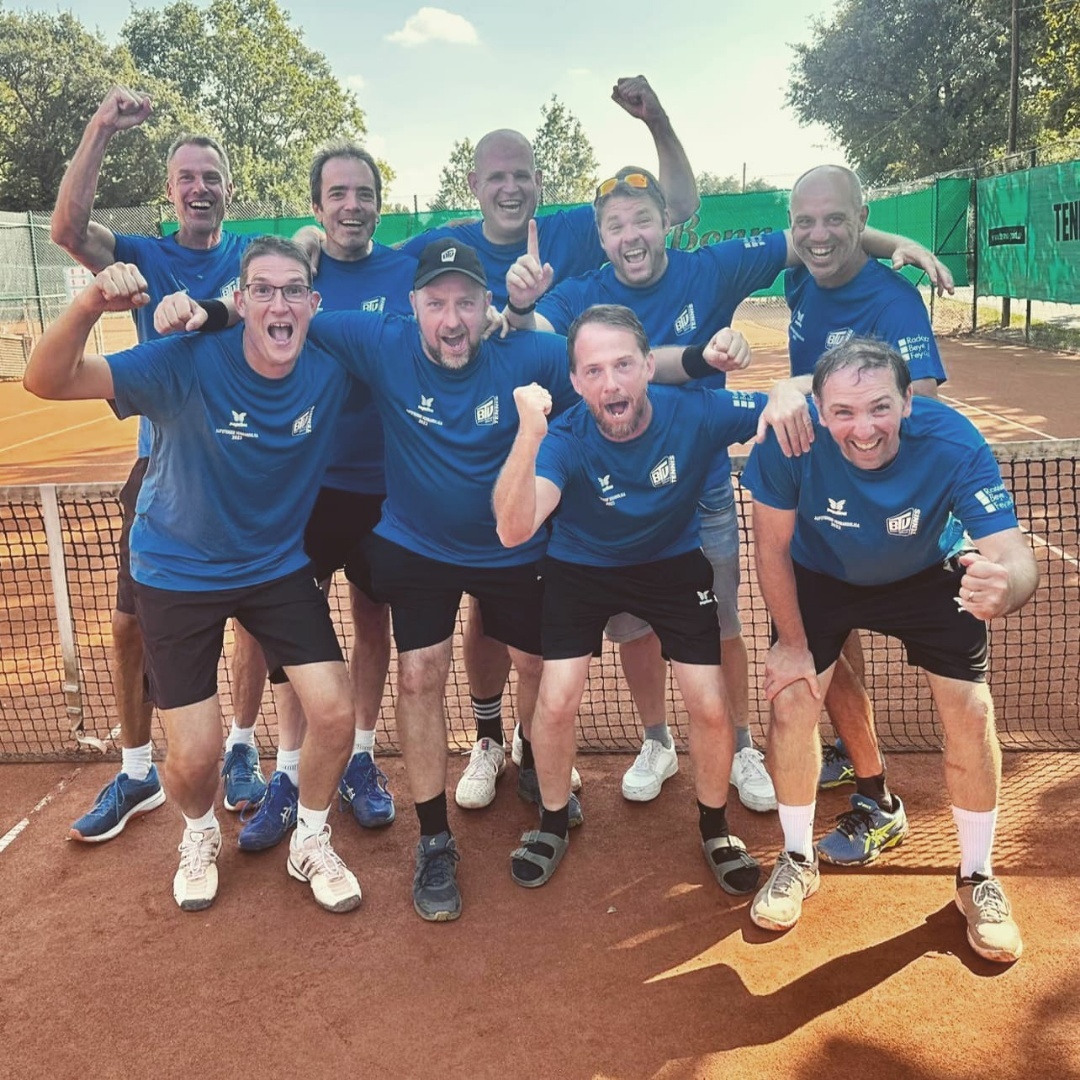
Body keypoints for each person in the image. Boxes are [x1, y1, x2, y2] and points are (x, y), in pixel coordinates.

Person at [503, 165, 953, 816]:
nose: (631, 235)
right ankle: (656, 742)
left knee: (721, 624)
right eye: (615, 225)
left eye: (642, 219)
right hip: (610, 502)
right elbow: (525, 341)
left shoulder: (711, 268)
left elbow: (811, 237)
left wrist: (890, 244)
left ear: (667, 221)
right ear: (601, 237)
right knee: (634, 632)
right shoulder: (577, 295)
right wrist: (519, 303)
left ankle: (742, 745)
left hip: (704, 488)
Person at [24, 238, 370, 914]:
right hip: (175, 571)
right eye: (262, 290)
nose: (278, 302)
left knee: (335, 713)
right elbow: (48, 379)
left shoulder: (331, 370)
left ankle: (311, 838)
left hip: (274, 567)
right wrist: (92, 300)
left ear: (314, 304)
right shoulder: (182, 362)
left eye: (293, 289)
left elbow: (427, 354)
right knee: (195, 760)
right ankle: (200, 829)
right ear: (238, 302)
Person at [396, 75, 700, 797]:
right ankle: (487, 738)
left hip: (552, 454)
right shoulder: (442, 245)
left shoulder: (566, 229)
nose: (510, 188)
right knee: (476, 615)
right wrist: (310, 239)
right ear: (473, 182)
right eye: (496, 176)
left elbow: (680, 205)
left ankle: (536, 753)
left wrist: (656, 119)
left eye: (522, 175)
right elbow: (360, 260)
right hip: (460, 463)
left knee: (523, 619)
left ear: (538, 182)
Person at [491, 304, 811, 889]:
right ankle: (553, 821)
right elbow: (514, 530)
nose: (609, 383)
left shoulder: (697, 411)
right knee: (557, 698)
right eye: (592, 371)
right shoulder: (563, 438)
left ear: (647, 367)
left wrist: (788, 389)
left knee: (709, 703)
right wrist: (528, 435)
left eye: (622, 366)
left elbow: (802, 404)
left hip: (670, 564)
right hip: (579, 567)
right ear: (575, 381)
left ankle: (716, 828)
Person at [741, 337, 1036, 963]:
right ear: (819, 412)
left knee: (974, 712)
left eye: (878, 407)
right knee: (791, 701)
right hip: (821, 574)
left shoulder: (953, 440)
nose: (863, 428)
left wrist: (1006, 586)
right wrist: (793, 645)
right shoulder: (786, 444)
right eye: (843, 412)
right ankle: (796, 858)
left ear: (908, 402)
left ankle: (977, 877)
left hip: (928, 571)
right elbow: (770, 550)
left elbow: (1013, 552)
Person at [50, 86, 264, 840]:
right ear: (170, 191)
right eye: (187, 177)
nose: (200, 187)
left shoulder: (253, 260)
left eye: (212, 176)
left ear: (228, 190)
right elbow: (68, 228)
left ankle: (241, 747)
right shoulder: (144, 253)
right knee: (126, 628)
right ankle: (138, 768)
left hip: (247, 464)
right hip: (162, 470)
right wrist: (101, 124)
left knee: (255, 622)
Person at [214, 142, 415, 849]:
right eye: (338, 194)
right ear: (319, 204)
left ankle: (360, 755)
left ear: (378, 204)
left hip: (386, 491)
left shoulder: (408, 266)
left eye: (363, 192)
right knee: (295, 637)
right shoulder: (297, 275)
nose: (352, 205)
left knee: (372, 626)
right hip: (303, 490)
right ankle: (289, 771)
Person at [784, 164, 950, 862]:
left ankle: (890, 801)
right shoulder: (799, 274)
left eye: (837, 220)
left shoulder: (894, 303)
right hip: (821, 511)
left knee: (961, 694)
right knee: (828, 643)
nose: (819, 236)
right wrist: (889, 237)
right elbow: (818, 241)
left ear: (859, 215)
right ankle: (858, 762)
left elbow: (929, 405)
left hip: (893, 523)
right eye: (806, 222)